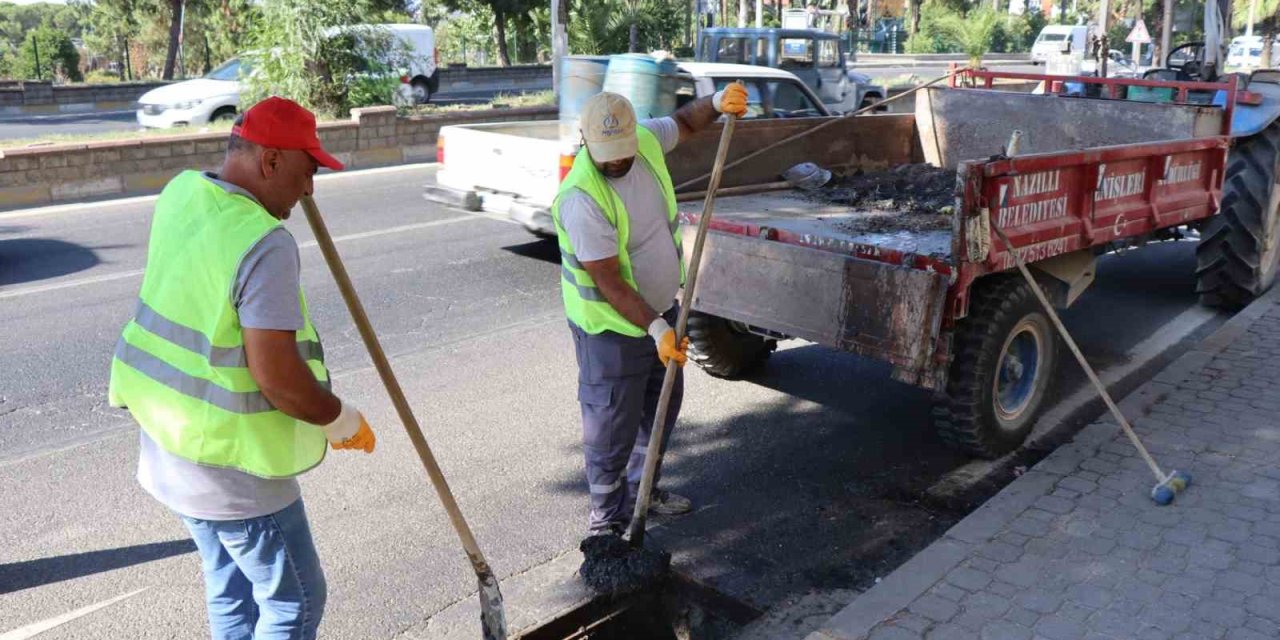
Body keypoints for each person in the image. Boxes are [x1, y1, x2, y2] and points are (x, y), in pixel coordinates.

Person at [108, 96, 376, 640]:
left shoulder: (183, 193)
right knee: (295, 603)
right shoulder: (264, 241)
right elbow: (278, 379)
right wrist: (339, 419)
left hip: (169, 448)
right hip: (232, 471)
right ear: (271, 162)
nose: (309, 190)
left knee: (231, 588)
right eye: (306, 171)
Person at [552, 84, 748, 537]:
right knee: (610, 428)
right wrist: (657, 328)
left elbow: (683, 123)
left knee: (659, 409)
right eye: (609, 154)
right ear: (586, 142)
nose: (619, 160)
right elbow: (609, 281)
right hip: (611, 331)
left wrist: (716, 105)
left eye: (624, 150)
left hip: (662, 313)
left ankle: (644, 492)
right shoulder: (581, 199)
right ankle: (605, 522)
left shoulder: (641, 139)